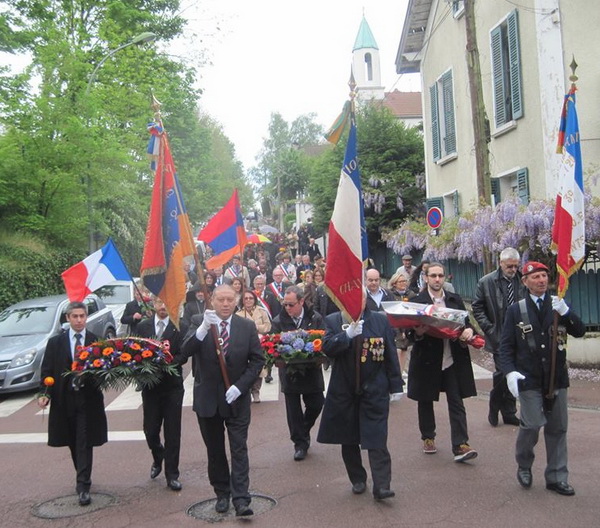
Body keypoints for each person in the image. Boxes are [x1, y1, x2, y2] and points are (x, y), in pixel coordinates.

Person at [499, 261, 585, 496]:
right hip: (530, 378)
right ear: (525, 282)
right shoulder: (517, 310)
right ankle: (524, 464)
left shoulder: (558, 305)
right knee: (532, 424)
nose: (542, 280)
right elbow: (506, 346)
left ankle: (557, 477)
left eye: (544, 276)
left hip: (557, 378)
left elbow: (580, 331)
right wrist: (509, 372)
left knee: (558, 429)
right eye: (535, 277)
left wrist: (567, 312)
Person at [182, 285, 265, 516]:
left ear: (236, 301)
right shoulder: (200, 320)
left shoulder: (246, 326)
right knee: (215, 449)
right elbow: (185, 350)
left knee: (239, 448)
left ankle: (241, 499)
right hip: (208, 399)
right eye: (221, 300)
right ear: (213, 300)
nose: (226, 304)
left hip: (236, 399)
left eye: (230, 300)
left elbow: (257, 360)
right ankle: (222, 492)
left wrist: (240, 387)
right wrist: (202, 329)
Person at [317, 295, 403, 500]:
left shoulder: (380, 320)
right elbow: (327, 348)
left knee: (377, 437)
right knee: (348, 438)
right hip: (344, 390)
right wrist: (346, 336)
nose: (356, 301)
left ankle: (382, 485)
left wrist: (396, 384)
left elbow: (390, 352)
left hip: (374, 388)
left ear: (365, 300)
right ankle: (357, 478)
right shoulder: (333, 320)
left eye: (360, 297)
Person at [37, 301, 108, 506]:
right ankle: (81, 472)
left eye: (82, 316)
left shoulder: (96, 342)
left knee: (84, 440)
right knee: (73, 440)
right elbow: (47, 371)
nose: (79, 320)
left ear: (86, 317)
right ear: (68, 318)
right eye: (75, 316)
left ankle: (83, 485)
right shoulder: (55, 343)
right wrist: (45, 393)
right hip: (64, 400)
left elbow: (103, 371)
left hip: (88, 400)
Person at [407, 262, 478, 462]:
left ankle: (461, 444)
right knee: (426, 399)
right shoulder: (418, 301)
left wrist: (469, 331)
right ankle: (428, 436)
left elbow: (467, 323)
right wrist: (418, 333)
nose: (437, 279)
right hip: (428, 359)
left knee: (456, 400)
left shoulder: (454, 300)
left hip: (452, 358)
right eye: (433, 276)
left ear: (444, 278)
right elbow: (408, 333)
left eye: (440, 276)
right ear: (426, 278)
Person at [136, 297, 188, 491]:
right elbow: (134, 352)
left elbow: (184, 354)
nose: (163, 306)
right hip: (150, 388)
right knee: (150, 429)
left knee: (173, 431)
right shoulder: (143, 327)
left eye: (167, 302)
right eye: (159, 302)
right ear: (153, 304)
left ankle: (172, 474)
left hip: (172, 386)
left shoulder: (180, 326)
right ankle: (158, 456)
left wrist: (167, 365)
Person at [472, 247, 526, 427]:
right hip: (499, 336)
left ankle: (509, 412)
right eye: (509, 266)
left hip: (520, 336)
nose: (513, 270)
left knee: (514, 373)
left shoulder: (523, 281)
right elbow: (477, 308)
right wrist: (489, 328)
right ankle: (496, 406)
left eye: (516, 266)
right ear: (501, 263)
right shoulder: (486, 282)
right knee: (504, 372)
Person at [271, 285, 325, 461]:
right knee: (293, 412)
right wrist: (277, 356)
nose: (287, 308)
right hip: (290, 373)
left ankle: (304, 429)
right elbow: (271, 344)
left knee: (317, 404)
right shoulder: (278, 321)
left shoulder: (315, 318)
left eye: (291, 304)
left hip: (311, 371)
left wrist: (321, 355)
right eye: (285, 304)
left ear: (301, 301)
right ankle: (300, 444)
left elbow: (325, 339)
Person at [236, 289, 272, 403]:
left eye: (250, 298)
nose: (248, 300)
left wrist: (255, 327)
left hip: (259, 342)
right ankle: (245, 390)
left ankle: (256, 391)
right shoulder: (238, 314)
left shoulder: (261, 311)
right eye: (245, 298)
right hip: (244, 343)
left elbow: (268, 326)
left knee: (259, 367)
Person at [388, 271, 416, 373]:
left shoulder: (411, 295)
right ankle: (397, 373)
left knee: (405, 350)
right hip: (395, 325)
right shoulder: (390, 295)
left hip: (408, 325)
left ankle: (402, 373)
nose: (403, 283)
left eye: (405, 281)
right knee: (398, 350)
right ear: (394, 283)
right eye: (401, 282)